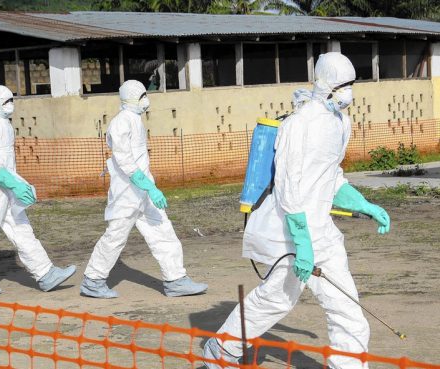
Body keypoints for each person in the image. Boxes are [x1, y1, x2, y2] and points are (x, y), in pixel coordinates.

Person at [203, 52, 390, 369]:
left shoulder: (341, 122)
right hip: (290, 233)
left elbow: (331, 177)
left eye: (352, 84)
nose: (350, 91)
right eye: (344, 84)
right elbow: (289, 189)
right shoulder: (298, 125)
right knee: (276, 299)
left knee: (346, 307)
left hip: (324, 234)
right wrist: (302, 243)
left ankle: (348, 365)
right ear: (327, 84)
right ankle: (221, 349)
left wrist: (363, 204)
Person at [80, 80, 207, 299]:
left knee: (163, 231)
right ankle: (93, 280)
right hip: (126, 193)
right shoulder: (121, 123)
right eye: (142, 95)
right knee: (115, 237)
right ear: (131, 97)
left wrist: (150, 188)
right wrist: (150, 187)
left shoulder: (135, 120)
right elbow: (126, 162)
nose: (146, 100)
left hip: (145, 191)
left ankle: (175, 280)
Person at [0, 85, 75, 297]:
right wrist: (14, 184)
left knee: (21, 228)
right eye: (5, 101)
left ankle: (45, 273)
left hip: (7, 186)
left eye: (11, 100)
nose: (10, 105)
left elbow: (7, 163)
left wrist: (18, 183)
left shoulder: (5, 124)